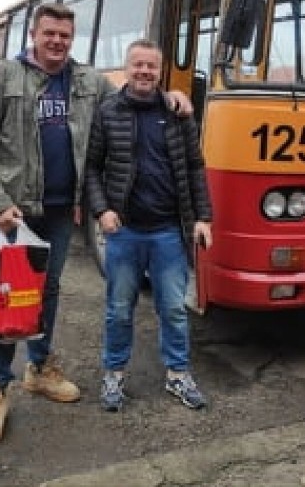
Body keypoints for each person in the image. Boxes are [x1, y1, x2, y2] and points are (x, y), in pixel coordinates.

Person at [0, 4, 193, 445]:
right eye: (49, 33)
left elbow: (134, 99)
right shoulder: (3, 77)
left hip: (58, 212)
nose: (57, 41)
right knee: (8, 300)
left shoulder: (90, 81)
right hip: (12, 211)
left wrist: (172, 97)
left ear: (72, 38)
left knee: (46, 293)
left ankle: (40, 368)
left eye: (64, 35)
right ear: (35, 34)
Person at [84, 38, 213, 412]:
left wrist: (203, 217)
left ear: (160, 72)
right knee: (119, 309)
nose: (144, 71)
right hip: (124, 231)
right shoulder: (107, 111)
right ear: (127, 68)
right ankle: (113, 375)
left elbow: (194, 166)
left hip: (168, 232)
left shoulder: (178, 113)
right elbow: (92, 167)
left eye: (151, 66)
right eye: (138, 64)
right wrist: (101, 210)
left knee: (173, 308)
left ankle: (177, 375)